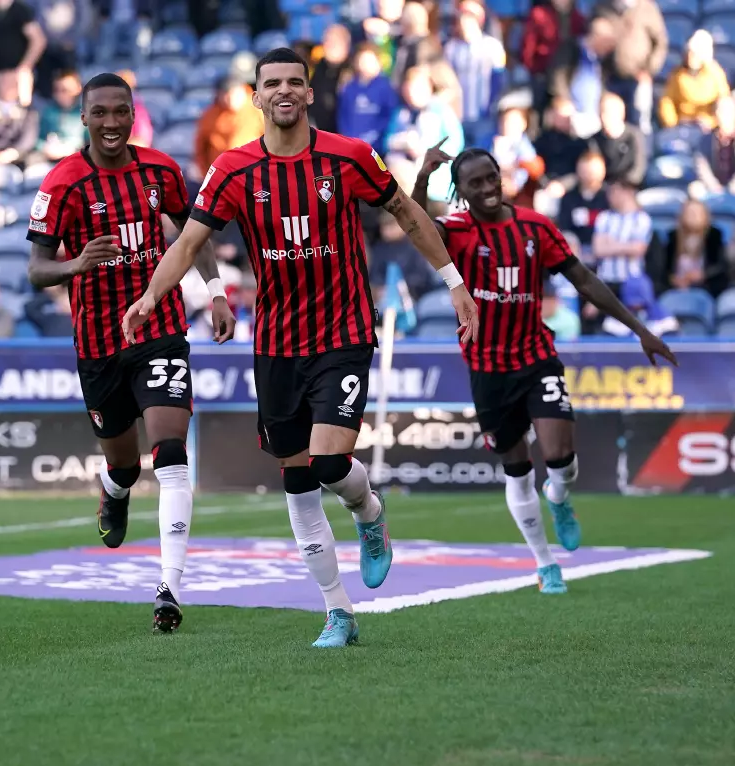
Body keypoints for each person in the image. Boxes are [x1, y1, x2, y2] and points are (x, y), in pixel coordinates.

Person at [122, 48, 480, 648]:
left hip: (342, 331)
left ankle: (369, 513)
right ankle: (337, 611)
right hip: (278, 342)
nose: (284, 91)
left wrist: (456, 284)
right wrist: (154, 296)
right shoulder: (235, 170)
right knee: (296, 479)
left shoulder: (350, 156)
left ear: (309, 93)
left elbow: (408, 213)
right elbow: (187, 241)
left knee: (330, 464)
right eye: (272, 84)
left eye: (295, 82)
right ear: (257, 96)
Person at [412, 143, 677, 594]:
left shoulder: (535, 227)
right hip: (487, 367)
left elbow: (585, 280)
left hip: (535, 355)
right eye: (474, 183)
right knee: (517, 469)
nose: (486, 188)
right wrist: (421, 179)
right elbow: (413, 227)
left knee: (560, 459)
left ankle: (559, 496)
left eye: (491, 177)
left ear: (501, 177)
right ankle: (544, 561)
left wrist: (640, 329)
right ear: (461, 190)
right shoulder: (455, 231)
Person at [25, 72, 236, 635]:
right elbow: (35, 269)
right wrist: (73, 265)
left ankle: (168, 588)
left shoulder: (161, 171)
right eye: (100, 114)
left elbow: (193, 235)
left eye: (121, 112)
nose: (112, 123)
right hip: (97, 345)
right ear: (85, 117)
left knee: (170, 453)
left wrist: (215, 293)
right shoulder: (62, 183)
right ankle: (114, 493)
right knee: (123, 462)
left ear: (133, 113)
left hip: (158, 328)